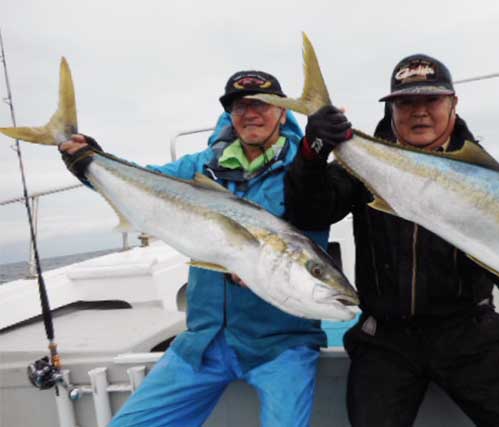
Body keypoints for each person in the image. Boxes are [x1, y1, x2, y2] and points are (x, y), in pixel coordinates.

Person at [285, 54, 499, 427]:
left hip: (470, 334)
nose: (419, 112)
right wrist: (312, 152)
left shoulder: (483, 174)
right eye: (406, 102)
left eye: (431, 100)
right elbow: (309, 213)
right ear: (391, 109)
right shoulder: (365, 163)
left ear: (453, 103)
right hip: (385, 338)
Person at [60, 70, 334, 427]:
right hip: (204, 341)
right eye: (239, 106)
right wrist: (90, 164)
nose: (251, 113)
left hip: (281, 345)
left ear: (283, 112)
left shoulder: (306, 172)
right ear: (230, 115)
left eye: (263, 104)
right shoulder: (199, 166)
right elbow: (141, 185)